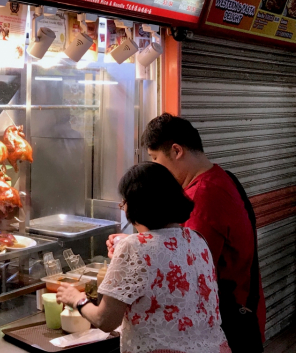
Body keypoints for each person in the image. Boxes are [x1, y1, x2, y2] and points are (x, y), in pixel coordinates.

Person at [108, 113, 265, 352]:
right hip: (237, 311)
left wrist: (133, 247)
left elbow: (182, 267)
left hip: (227, 321)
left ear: (176, 151)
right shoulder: (220, 178)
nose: (153, 167)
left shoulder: (201, 198)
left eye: (155, 158)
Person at [58, 163, 230, 353]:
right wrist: (131, 245)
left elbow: (105, 320)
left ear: (135, 206)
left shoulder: (134, 247)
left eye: (123, 203)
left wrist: (77, 299)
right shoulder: (197, 240)